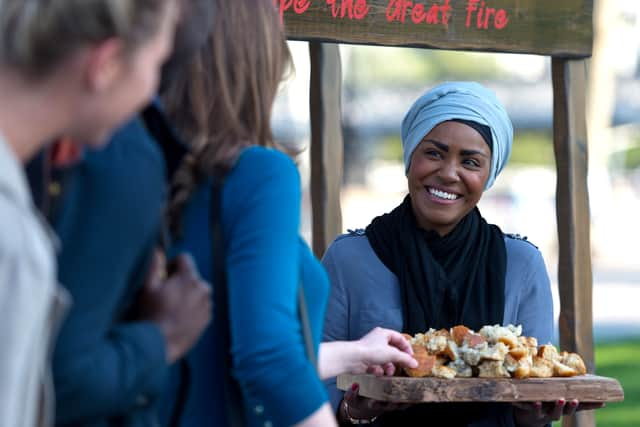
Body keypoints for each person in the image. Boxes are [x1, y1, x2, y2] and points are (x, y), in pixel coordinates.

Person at [160, 1, 418, 426]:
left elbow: (216, 349)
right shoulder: (258, 173)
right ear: (256, 55)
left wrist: (356, 352)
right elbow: (267, 360)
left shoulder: (141, 161)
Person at [322, 82, 602, 426]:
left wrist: (534, 415)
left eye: (470, 162)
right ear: (410, 156)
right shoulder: (349, 258)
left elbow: (531, 398)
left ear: (489, 174)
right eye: (434, 153)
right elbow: (314, 396)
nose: (449, 173)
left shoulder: (521, 264)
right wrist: (356, 412)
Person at [24, 1, 217, 425]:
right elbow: (59, 381)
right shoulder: (120, 155)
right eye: (154, 59)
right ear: (107, 62)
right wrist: (162, 339)